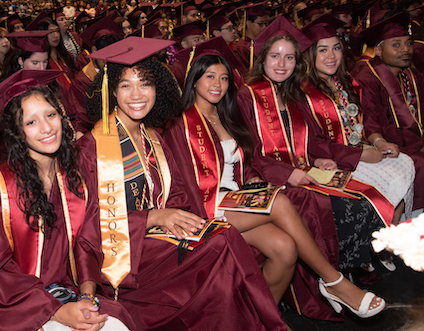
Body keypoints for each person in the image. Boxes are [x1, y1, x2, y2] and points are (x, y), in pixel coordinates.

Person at [82, 36, 287, 330]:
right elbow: (87, 225)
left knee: (223, 239)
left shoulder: (152, 137)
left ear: (158, 89)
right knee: (220, 248)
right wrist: (153, 216)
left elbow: (176, 193)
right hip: (122, 252)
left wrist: (175, 219)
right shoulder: (92, 149)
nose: (137, 94)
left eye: (146, 84)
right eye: (126, 85)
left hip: (158, 237)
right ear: (112, 91)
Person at [163, 52, 386, 318]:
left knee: (285, 248)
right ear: (194, 81)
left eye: (224, 78)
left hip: (233, 200)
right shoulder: (180, 123)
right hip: (206, 208)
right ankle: (334, 281)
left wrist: (251, 178)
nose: (217, 84)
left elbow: (236, 165)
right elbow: (182, 178)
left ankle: (260, 320)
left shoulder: (226, 116)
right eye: (209, 76)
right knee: (280, 201)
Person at [0, 69, 132, 331]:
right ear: (16, 132)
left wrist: (87, 295)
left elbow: (89, 242)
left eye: (50, 114)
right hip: (15, 307)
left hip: (70, 294)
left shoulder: (75, 177)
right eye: (31, 122)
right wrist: (54, 311)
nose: (46, 128)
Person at [238, 16, 388, 295]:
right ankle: (328, 285)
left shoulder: (293, 94)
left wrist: (318, 159)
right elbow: (249, 153)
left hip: (304, 170)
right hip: (271, 181)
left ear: (298, 62)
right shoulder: (247, 96)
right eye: (275, 56)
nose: (282, 64)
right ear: (263, 59)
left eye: (290, 57)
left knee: (364, 200)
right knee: (330, 206)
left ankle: (343, 276)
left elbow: (315, 139)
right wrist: (287, 173)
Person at [302, 14, 415, 225]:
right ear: (310, 54)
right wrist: (360, 155)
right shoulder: (303, 93)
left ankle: (390, 240)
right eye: (323, 50)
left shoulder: (347, 82)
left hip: (360, 151)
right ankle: (382, 243)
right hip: (334, 161)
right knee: (385, 188)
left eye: (336, 48)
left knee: (404, 162)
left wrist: (378, 141)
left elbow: (368, 117)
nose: (331, 56)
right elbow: (314, 144)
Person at [352, 13, 424, 212]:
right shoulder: (365, 76)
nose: (405, 50)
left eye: (408, 43)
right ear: (378, 50)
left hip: (411, 140)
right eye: (396, 44)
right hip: (383, 143)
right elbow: (369, 118)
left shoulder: (410, 74)